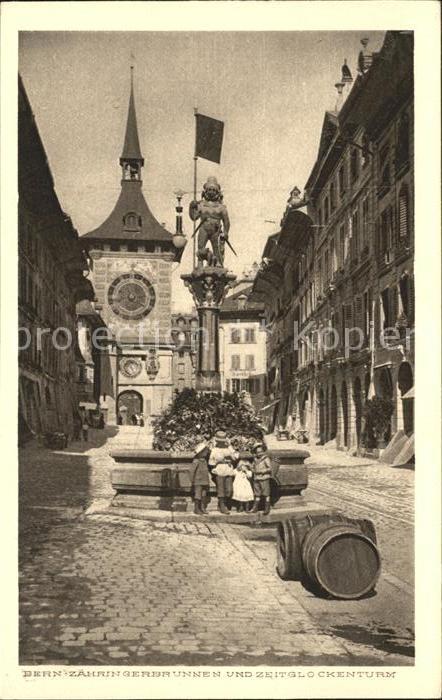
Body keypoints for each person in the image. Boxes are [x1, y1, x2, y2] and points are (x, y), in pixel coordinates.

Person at [189, 176, 230, 267]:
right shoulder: (201, 204)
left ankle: (218, 262)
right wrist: (191, 207)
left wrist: (226, 232)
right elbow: (194, 217)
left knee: (217, 249)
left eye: (213, 190)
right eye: (209, 189)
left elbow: (226, 221)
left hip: (216, 229)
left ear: (217, 192)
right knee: (200, 247)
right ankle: (200, 262)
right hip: (204, 228)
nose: (211, 192)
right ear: (205, 192)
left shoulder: (221, 207)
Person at [209, 430, 237, 514]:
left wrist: (230, 448)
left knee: (229, 490)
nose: (221, 443)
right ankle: (222, 506)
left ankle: (225, 503)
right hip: (219, 469)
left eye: (223, 441)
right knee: (221, 489)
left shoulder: (228, 448)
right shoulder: (214, 449)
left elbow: (235, 457)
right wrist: (218, 461)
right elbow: (210, 462)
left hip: (228, 469)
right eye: (220, 441)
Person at [251, 443, 273, 515]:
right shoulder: (255, 459)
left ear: (264, 452)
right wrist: (252, 469)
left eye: (261, 452)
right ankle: (255, 507)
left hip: (264, 477)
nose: (259, 454)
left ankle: (267, 508)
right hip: (256, 478)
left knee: (266, 493)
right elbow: (252, 467)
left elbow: (269, 468)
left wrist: (262, 471)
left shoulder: (266, 459)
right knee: (257, 493)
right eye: (257, 452)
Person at [191, 441, 211, 515]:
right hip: (198, 480)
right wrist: (192, 480)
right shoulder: (196, 461)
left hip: (204, 480)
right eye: (205, 451)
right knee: (198, 494)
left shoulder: (205, 461)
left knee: (204, 494)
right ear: (201, 452)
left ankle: (202, 508)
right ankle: (196, 508)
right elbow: (192, 471)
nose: (207, 453)